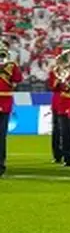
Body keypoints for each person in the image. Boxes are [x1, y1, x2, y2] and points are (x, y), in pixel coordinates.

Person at [0, 42, 24, 176]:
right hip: (5, 103)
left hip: (4, 103)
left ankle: (0, 165)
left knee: (1, 136)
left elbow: (17, 79)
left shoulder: (11, 65)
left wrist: (10, 65)